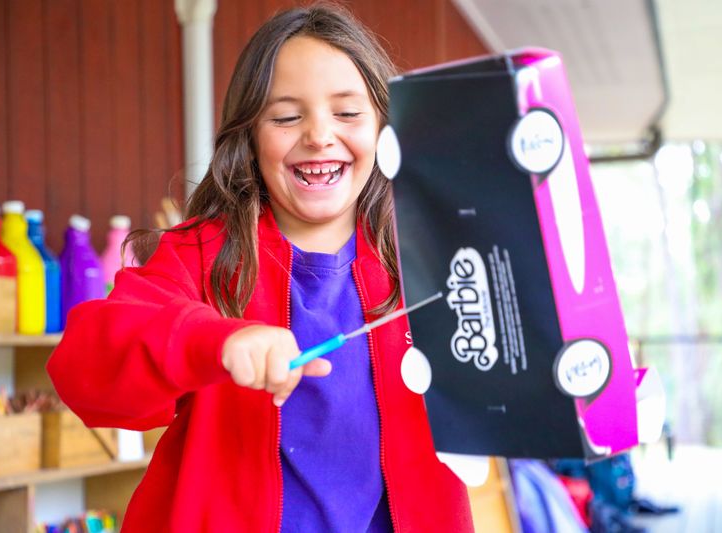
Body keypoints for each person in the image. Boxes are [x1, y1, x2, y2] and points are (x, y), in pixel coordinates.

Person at [47, 4, 473, 532]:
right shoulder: (202, 255)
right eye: (287, 117)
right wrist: (213, 342)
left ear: (386, 128)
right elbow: (82, 369)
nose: (319, 136)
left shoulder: (433, 260)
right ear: (249, 137)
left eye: (347, 113)